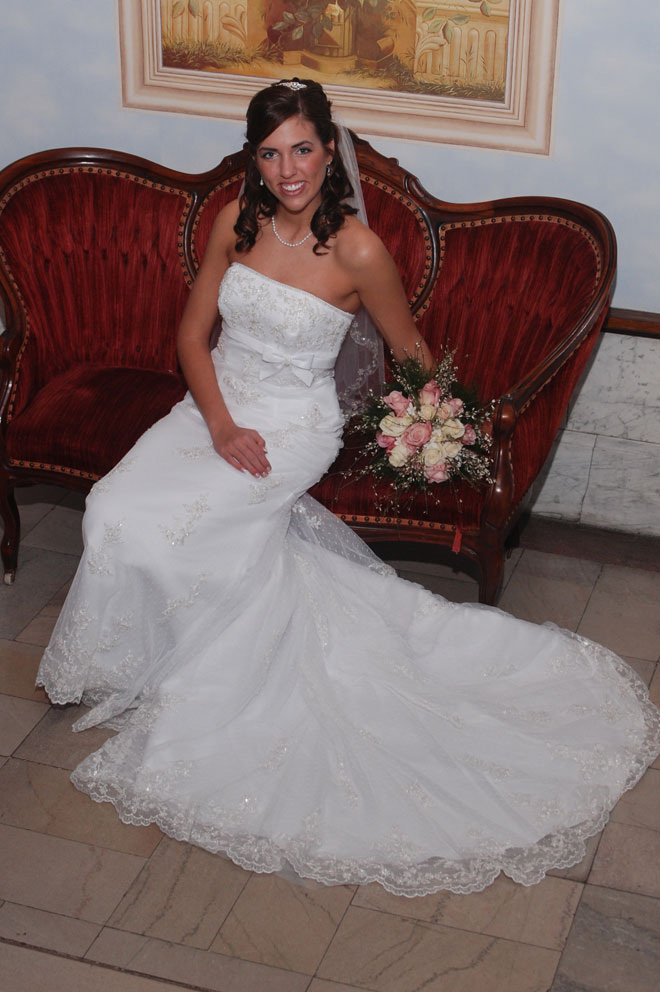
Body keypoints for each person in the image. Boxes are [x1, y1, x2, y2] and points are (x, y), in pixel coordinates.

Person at [37, 78, 660, 898]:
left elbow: (409, 352)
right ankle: (136, 659)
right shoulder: (234, 220)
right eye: (270, 152)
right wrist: (219, 423)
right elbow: (191, 335)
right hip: (215, 405)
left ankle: (203, 674)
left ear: (330, 151)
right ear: (253, 160)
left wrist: (444, 427)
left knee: (190, 528)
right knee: (117, 511)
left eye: (302, 148)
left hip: (295, 425)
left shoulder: (361, 251)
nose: (288, 168)